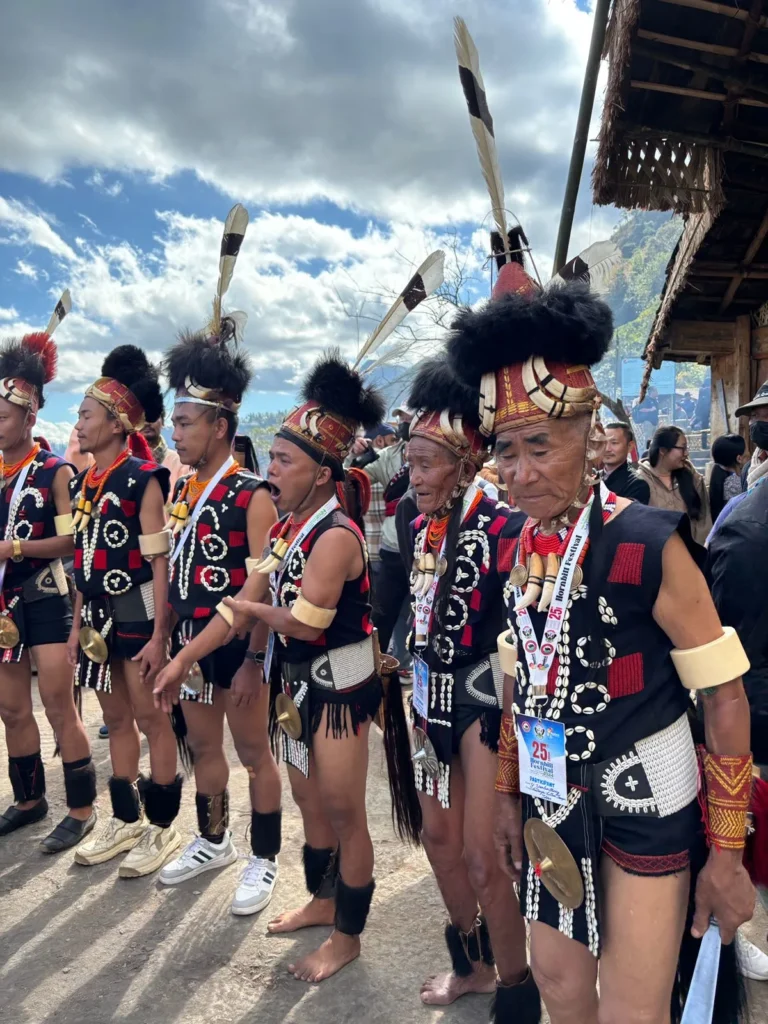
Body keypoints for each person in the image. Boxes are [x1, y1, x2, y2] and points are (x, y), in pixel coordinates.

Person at [447, 260, 754, 1023]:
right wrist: (508, 796)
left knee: (632, 1008)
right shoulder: (517, 546)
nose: (517, 475)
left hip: (645, 795)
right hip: (551, 797)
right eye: (505, 452)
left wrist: (727, 852)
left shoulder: (647, 543)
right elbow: (524, 683)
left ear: (589, 434)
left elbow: (724, 696)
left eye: (539, 446)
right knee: (557, 985)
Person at [155, 351, 386, 983]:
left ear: (319, 472)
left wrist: (247, 610)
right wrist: (184, 658)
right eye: (275, 458)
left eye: (284, 460)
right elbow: (236, 611)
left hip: (339, 686)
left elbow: (306, 621)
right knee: (311, 805)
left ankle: (348, 937)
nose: (272, 467)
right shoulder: (287, 528)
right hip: (295, 687)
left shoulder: (336, 535)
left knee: (343, 809)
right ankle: (323, 899)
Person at [403, 358, 538, 1022]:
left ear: (460, 463)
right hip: (430, 704)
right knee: (437, 839)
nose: (414, 476)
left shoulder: (506, 528)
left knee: (486, 860)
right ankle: (474, 964)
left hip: (487, 709)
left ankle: (517, 989)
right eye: (410, 461)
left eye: (427, 463)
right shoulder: (413, 522)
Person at [152, 321, 283, 916]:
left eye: (184, 423)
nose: (174, 434)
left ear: (220, 427)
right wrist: (163, 639)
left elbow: (260, 588)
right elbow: (176, 578)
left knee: (254, 754)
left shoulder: (253, 494)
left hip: (235, 649)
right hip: (189, 644)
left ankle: (265, 856)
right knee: (203, 749)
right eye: (175, 422)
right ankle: (213, 840)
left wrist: (255, 658)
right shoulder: (183, 492)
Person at [70, 346, 183, 878]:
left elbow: (159, 564)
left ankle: (162, 826)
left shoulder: (144, 477)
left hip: (137, 609)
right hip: (94, 616)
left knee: (149, 718)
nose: (78, 424)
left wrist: (161, 633)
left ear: (116, 424)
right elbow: (79, 562)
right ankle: (125, 819)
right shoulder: (83, 481)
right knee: (113, 718)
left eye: (86, 415)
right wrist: (74, 628)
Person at [0, 307, 97, 852]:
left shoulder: (54, 471)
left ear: (30, 417)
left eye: (3, 415)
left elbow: (71, 542)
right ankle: (30, 799)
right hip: (1, 605)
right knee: (12, 708)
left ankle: (80, 808)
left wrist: (14, 547)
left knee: (59, 704)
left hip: (44, 597)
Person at [349, 412, 411, 657]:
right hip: (393, 549)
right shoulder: (386, 458)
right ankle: (377, 668)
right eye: (403, 419)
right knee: (382, 616)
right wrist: (354, 458)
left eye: (409, 417)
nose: (404, 423)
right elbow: (353, 479)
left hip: (434, 547)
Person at [635, 426, 712, 546]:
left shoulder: (693, 478)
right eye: (682, 448)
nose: (686, 453)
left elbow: (704, 520)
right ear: (663, 450)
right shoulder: (640, 481)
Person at [601, 423, 650, 504]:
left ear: (630, 446)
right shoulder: (594, 478)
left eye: (614, 443)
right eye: (604, 443)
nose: (607, 449)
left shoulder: (637, 484)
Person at [141, 411, 187, 492]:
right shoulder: (122, 460)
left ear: (162, 422)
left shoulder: (180, 462)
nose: (147, 422)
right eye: (140, 418)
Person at [709, 434, 746, 523]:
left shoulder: (719, 473)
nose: (749, 454)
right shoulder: (734, 483)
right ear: (739, 458)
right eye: (747, 451)